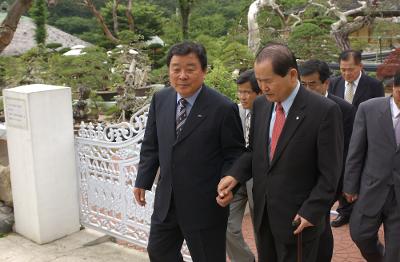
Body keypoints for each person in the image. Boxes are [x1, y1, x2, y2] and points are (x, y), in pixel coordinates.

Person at [217, 43, 343, 262]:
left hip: (299, 221)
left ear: (292, 75)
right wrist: (234, 176)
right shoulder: (262, 107)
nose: (263, 87)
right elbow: (254, 152)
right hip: (264, 217)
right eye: (259, 81)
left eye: (268, 80)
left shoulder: (323, 111)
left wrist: (312, 210)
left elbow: (331, 172)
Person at [133, 41, 245, 262]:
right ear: (169, 71)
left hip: (205, 205)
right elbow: (151, 144)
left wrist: (230, 184)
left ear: (203, 70)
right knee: (158, 252)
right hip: (167, 201)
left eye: (190, 69)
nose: (182, 75)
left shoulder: (222, 108)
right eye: (176, 69)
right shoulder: (161, 99)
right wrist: (142, 180)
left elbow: (235, 154)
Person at [299, 59, 355, 262]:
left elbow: (348, 150)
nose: (307, 89)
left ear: (326, 83)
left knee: (320, 225)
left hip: (329, 180)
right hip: (302, 177)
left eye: (312, 84)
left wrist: (345, 185)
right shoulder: (295, 106)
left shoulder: (342, 109)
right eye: (302, 84)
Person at [343, 72, 400, 262]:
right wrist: (350, 185)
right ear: (393, 87)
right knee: (360, 235)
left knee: (396, 253)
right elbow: (356, 150)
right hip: (372, 187)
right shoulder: (369, 109)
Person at [328, 49, 384, 228]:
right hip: (341, 137)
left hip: (364, 138)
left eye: (350, 69)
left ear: (360, 66)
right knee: (342, 172)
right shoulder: (335, 83)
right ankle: (344, 211)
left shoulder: (374, 85)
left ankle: (361, 210)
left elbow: (379, 112)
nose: (346, 73)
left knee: (360, 173)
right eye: (343, 69)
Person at [226, 69, 261, 262]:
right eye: (240, 92)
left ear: (259, 92)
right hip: (237, 178)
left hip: (260, 179)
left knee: (261, 229)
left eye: (247, 92)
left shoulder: (269, 113)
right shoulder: (235, 111)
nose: (242, 97)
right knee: (227, 226)